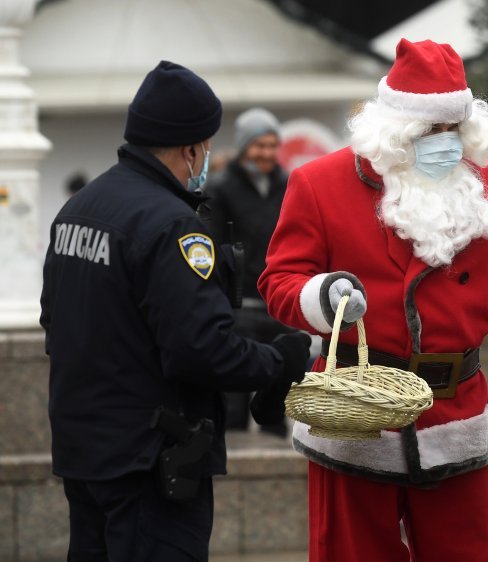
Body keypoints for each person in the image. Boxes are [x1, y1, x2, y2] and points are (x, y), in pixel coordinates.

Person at [258, 38, 488, 561]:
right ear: (395, 131)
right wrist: (323, 296)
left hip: (456, 412)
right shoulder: (319, 183)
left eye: (454, 130)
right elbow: (280, 279)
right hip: (355, 411)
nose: (445, 142)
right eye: (429, 131)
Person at [39, 60, 311, 561]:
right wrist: (281, 360)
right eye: (205, 146)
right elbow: (201, 350)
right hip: (152, 463)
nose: (207, 157)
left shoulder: (78, 210)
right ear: (191, 148)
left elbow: (55, 322)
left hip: (85, 452)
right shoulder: (173, 227)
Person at [200, 108, 295, 436]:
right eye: (259, 145)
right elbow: (210, 246)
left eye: (272, 145)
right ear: (243, 147)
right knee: (234, 400)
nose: (266, 154)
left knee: (279, 398)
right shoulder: (220, 187)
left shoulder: (288, 183)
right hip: (240, 308)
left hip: (279, 306)